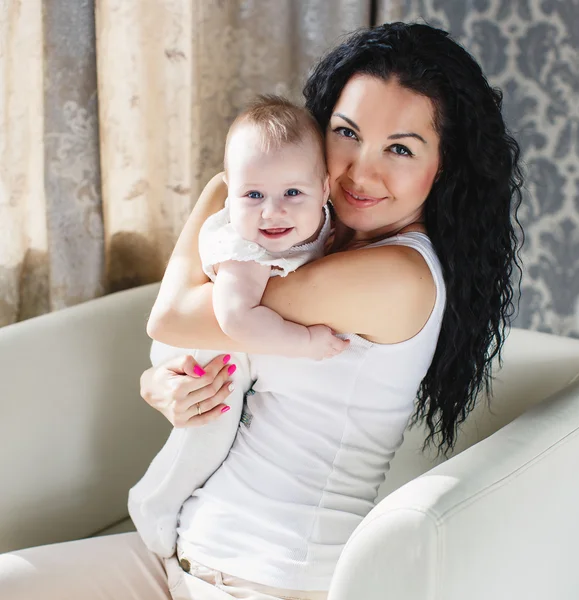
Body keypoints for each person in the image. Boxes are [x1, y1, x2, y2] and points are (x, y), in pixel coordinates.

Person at [0, 21, 522, 600]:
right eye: (345, 133)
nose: (359, 170)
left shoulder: (394, 276)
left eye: (400, 148)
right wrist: (164, 382)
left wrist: (229, 186)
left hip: (266, 581)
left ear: (443, 165)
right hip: (177, 553)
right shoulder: (311, 236)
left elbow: (171, 317)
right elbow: (209, 348)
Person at [129, 95, 348, 558]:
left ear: (324, 189)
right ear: (230, 192)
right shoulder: (243, 251)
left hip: (239, 339)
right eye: (253, 195)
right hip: (203, 347)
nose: (272, 212)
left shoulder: (322, 223)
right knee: (209, 433)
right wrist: (305, 342)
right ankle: (154, 503)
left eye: (293, 193)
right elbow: (234, 318)